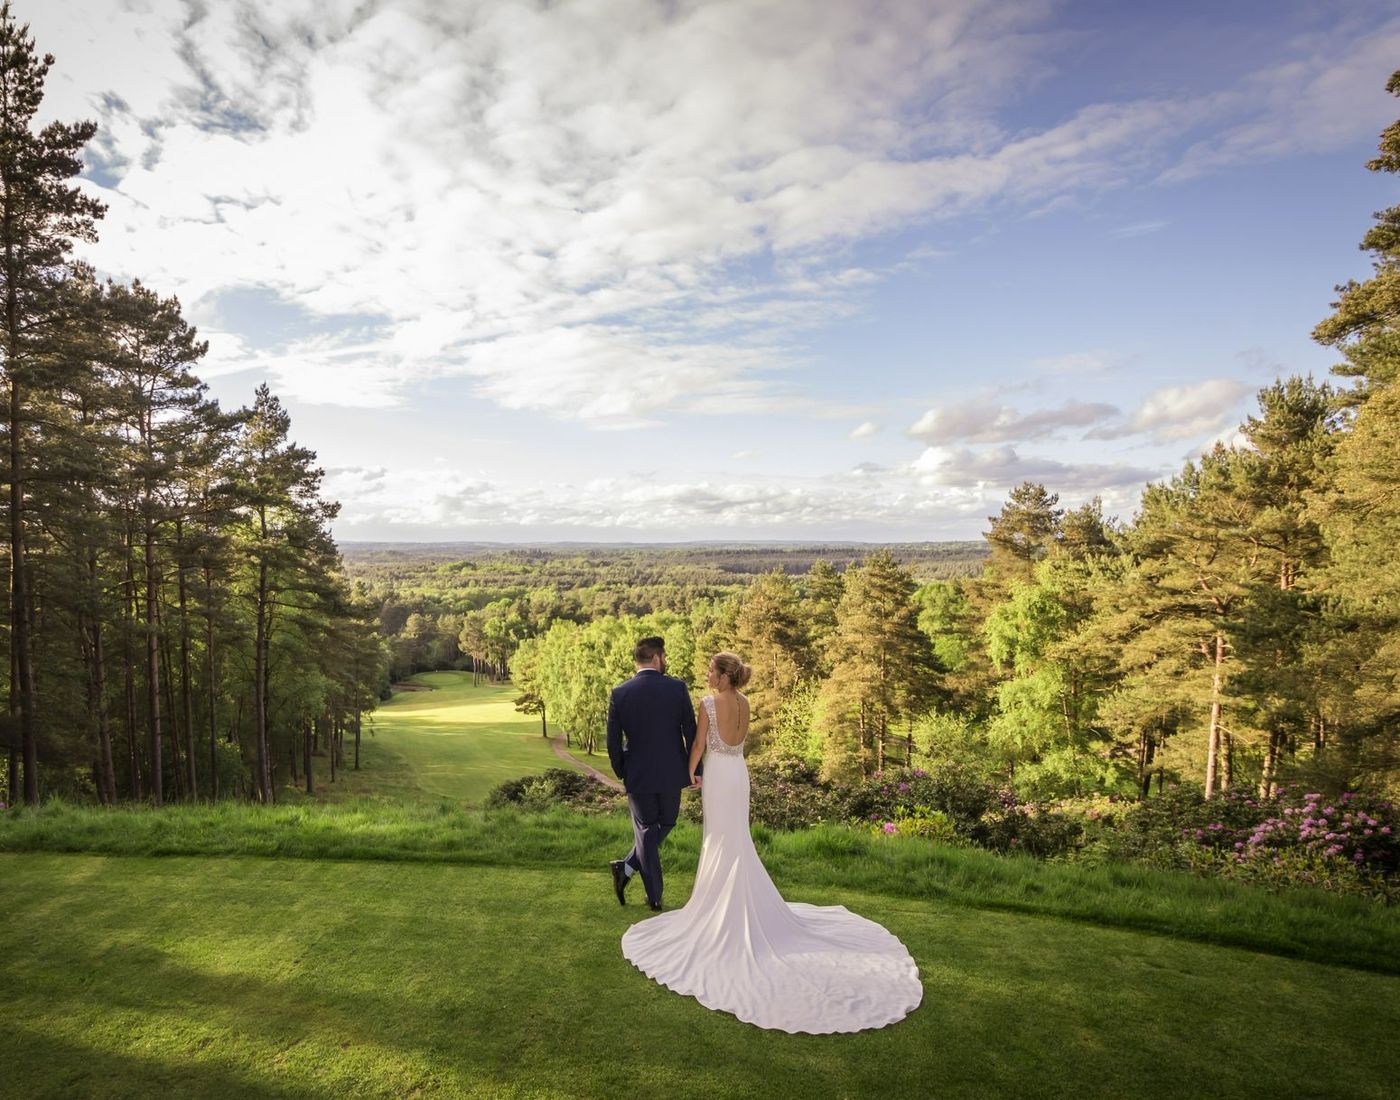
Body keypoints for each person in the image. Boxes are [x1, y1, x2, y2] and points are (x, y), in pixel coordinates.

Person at [620, 651, 923, 1033]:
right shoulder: (745, 702)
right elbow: (736, 741)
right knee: (736, 840)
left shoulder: (708, 704)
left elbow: (698, 745)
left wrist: (689, 773)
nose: (707, 675)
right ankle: (734, 903)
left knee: (720, 840)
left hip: (717, 775)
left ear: (725, 677)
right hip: (738, 774)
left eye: (712, 671)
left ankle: (719, 910)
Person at [606, 635, 698, 911]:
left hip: (639, 774)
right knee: (656, 827)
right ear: (657, 658)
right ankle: (654, 896)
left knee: (657, 827)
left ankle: (627, 868)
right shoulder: (677, 688)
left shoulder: (620, 693)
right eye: (664, 656)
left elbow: (612, 741)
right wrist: (696, 769)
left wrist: (622, 769)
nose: (665, 661)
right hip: (671, 773)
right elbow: (690, 732)